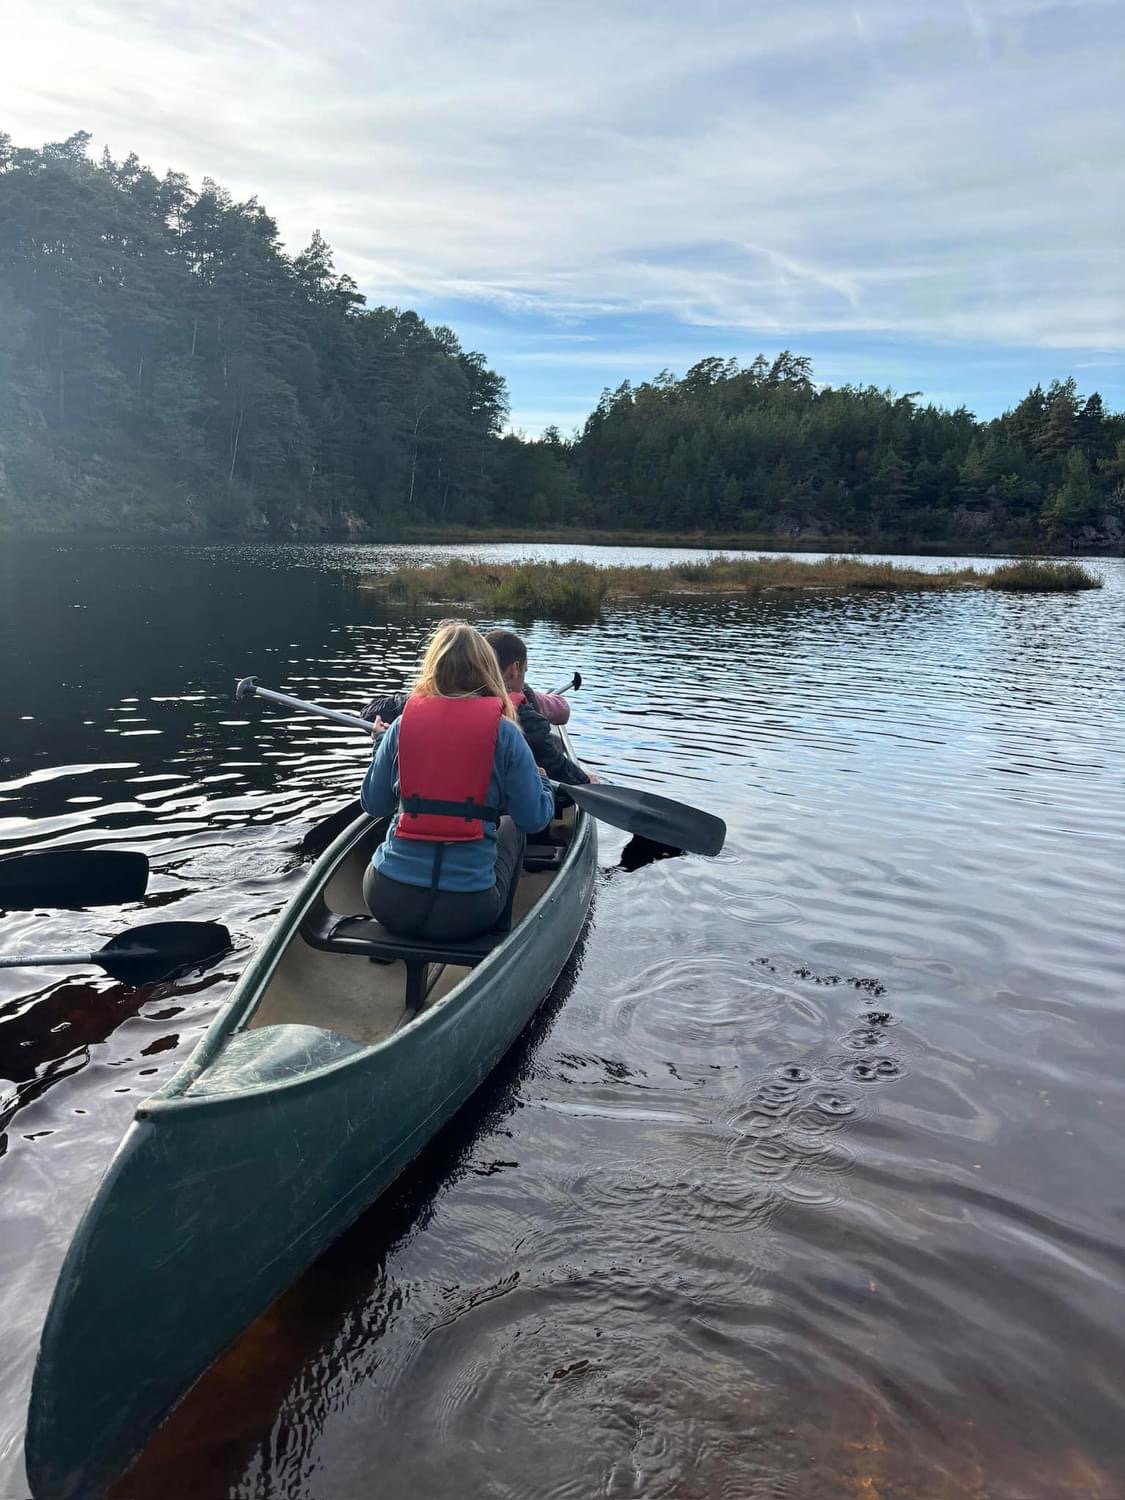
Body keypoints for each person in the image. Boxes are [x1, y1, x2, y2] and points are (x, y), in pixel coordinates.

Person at [360, 621, 555, 943]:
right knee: (511, 825)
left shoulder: (401, 724)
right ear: (486, 669)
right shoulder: (506, 733)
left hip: (388, 900)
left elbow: (374, 804)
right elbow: (533, 819)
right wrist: (542, 783)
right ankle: (498, 941)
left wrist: (380, 745)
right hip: (468, 911)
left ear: (432, 667)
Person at [363, 632, 595, 790]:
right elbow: (553, 764)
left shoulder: (420, 708)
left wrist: (383, 740)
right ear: (515, 670)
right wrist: (584, 780)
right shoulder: (514, 721)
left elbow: (369, 712)